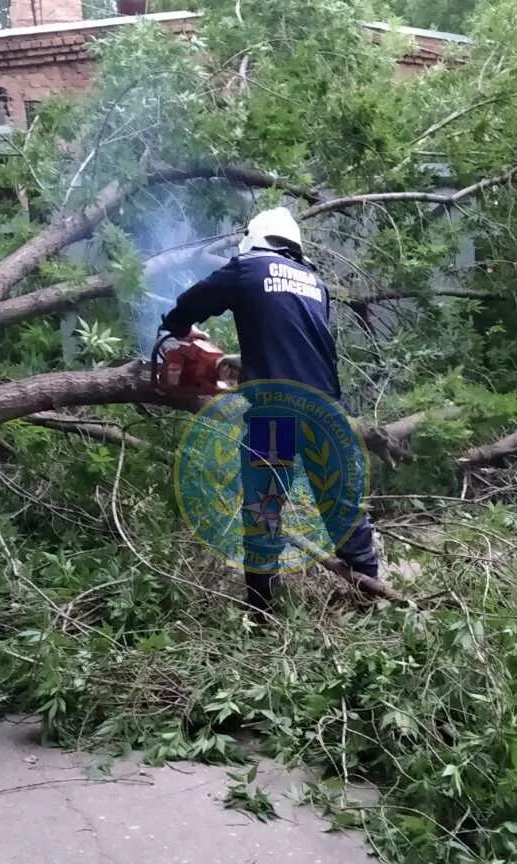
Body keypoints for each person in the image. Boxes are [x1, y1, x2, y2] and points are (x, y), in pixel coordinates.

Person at [161, 208, 379, 611]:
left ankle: (260, 610)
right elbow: (295, 344)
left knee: (264, 508)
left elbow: (191, 302)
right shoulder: (315, 282)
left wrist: (177, 327)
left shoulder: (249, 266)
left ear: (256, 237)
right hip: (325, 407)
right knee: (341, 504)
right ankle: (371, 594)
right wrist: (248, 361)